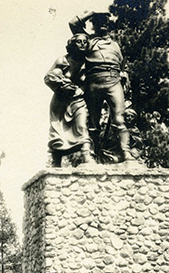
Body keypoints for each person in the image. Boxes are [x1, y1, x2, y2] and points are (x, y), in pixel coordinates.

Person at [69, 11, 135, 163]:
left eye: (105, 21)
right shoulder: (88, 41)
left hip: (114, 81)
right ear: (94, 25)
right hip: (94, 82)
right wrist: (91, 13)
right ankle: (90, 155)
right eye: (99, 21)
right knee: (93, 123)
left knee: (119, 119)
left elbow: (123, 66)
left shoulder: (115, 45)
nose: (103, 24)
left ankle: (126, 153)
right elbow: (73, 23)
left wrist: (124, 75)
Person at [44, 33, 94, 167]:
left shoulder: (89, 63)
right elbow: (48, 78)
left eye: (85, 41)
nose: (82, 43)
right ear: (72, 44)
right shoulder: (62, 61)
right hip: (61, 100)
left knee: (82, 125)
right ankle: (56, 161)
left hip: (78, 99)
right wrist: (63, 84)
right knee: (57, 130)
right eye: (79, 41)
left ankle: (86, 156)